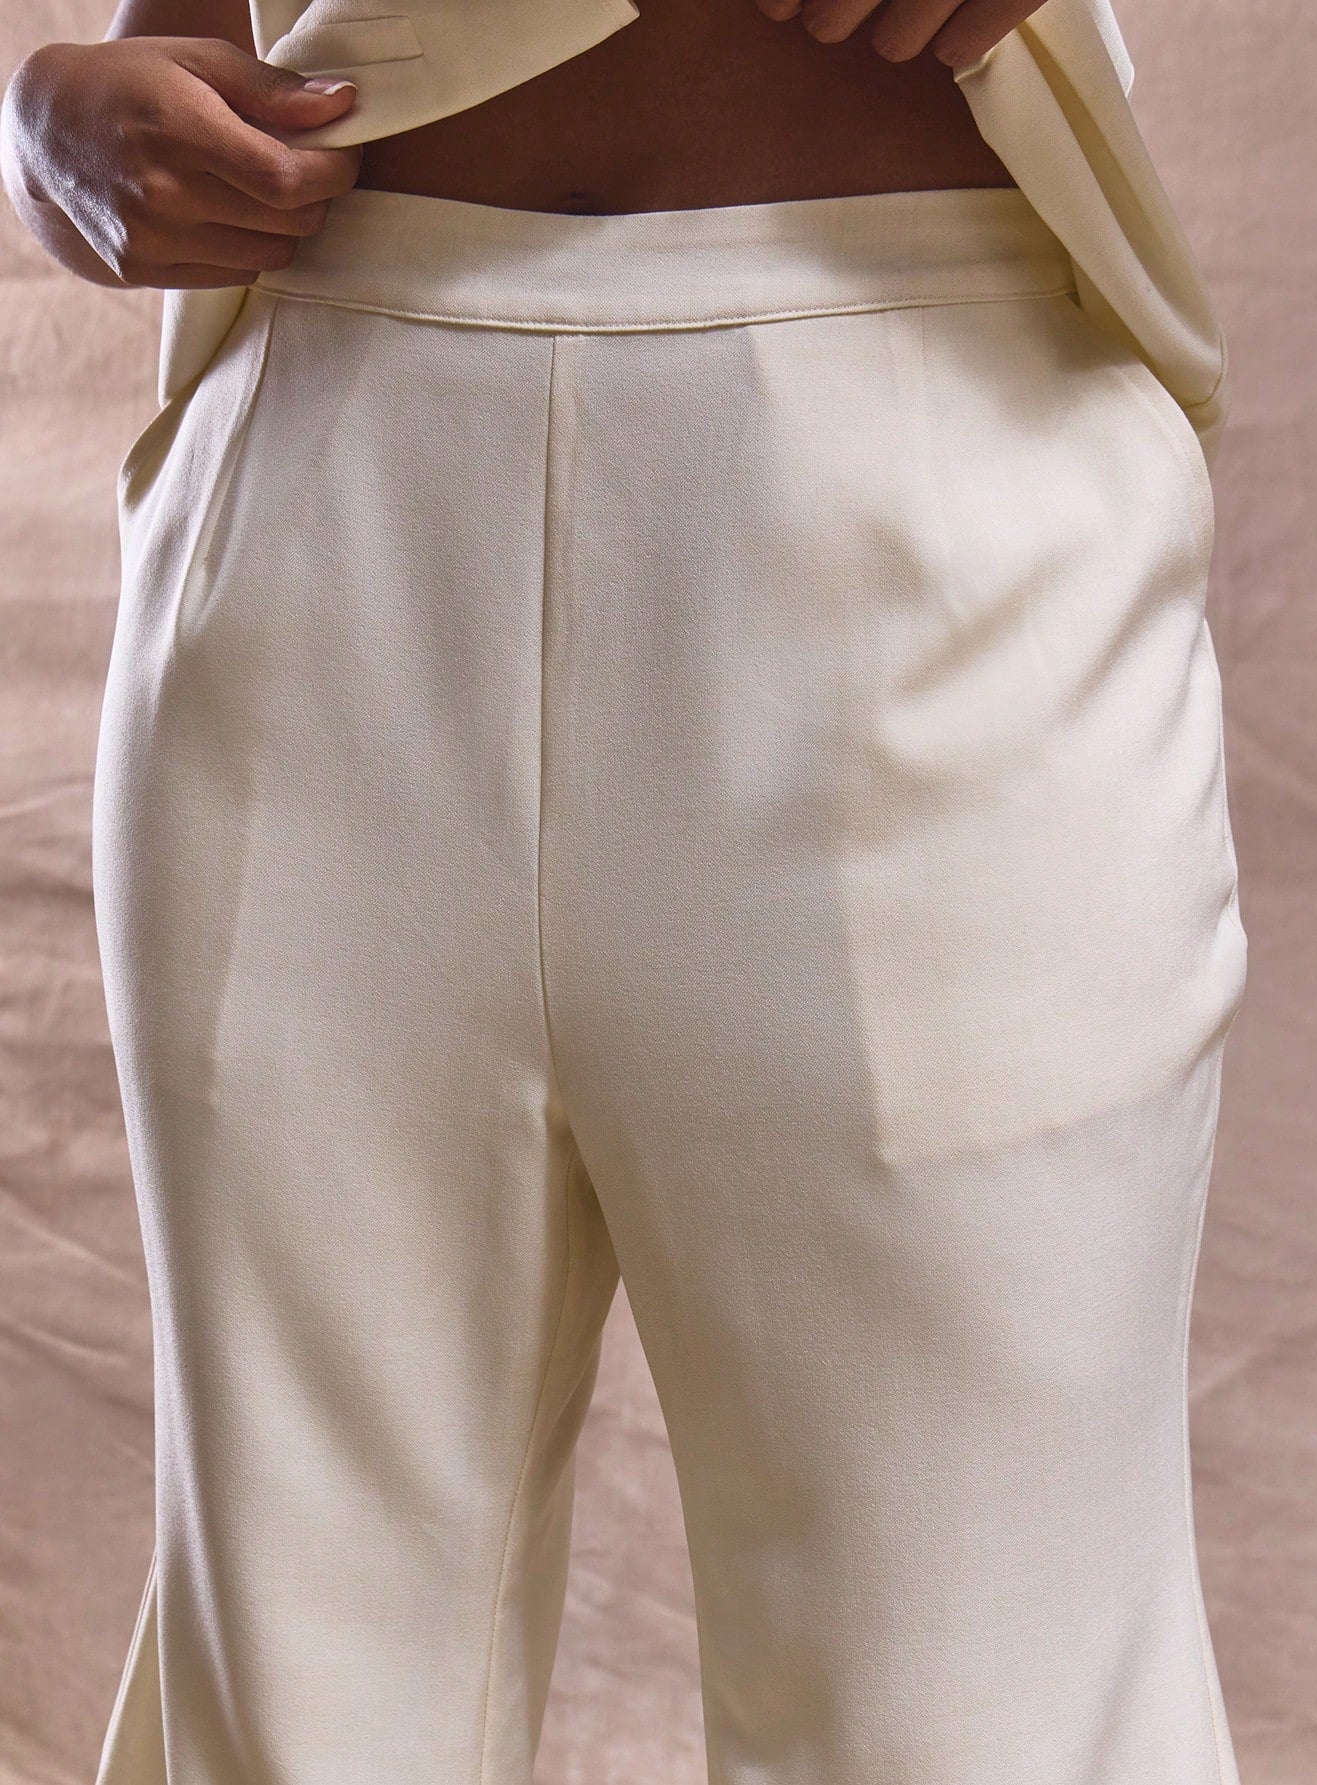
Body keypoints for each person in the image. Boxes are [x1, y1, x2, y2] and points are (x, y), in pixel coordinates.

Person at [1, 4, 1250, 1782]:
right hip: (325, 485)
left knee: (987, 1704)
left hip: (923, 488)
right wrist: (57, 121)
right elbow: (191, 40)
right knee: (293, 1703)